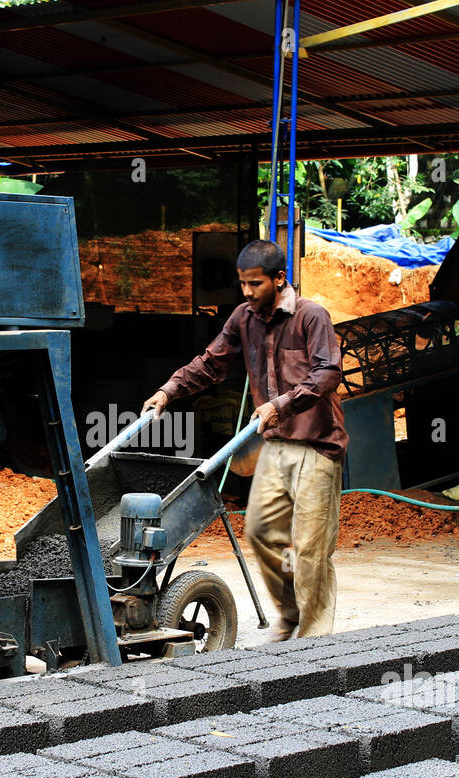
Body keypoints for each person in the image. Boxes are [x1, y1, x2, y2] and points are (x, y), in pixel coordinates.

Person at [143, 239, 348, 641]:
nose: (248, 292)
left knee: (309, 549)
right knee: (261, 530)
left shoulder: (311, 317)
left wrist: (282, 404)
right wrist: (169, 390)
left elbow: (328, 373)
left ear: (279, 279)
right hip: (275, 445)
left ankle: (315, 640)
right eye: (242, 284)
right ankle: (291, 615)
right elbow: (211, 363)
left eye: (255, 284)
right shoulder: (244, 318)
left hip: (317, 445)